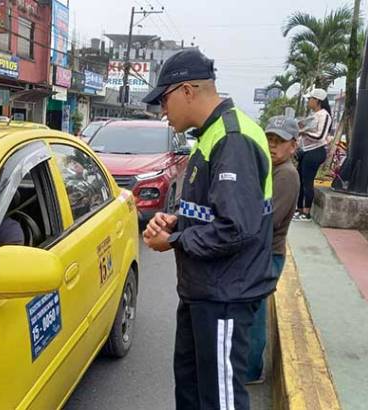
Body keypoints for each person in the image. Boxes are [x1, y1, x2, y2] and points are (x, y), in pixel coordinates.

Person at [141, 48, 274, 410]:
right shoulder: (210, 135)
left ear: (186, 91)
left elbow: (236, 228)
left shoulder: (233, 139)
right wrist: (177, 221)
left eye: (164, 99)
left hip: (225, 295)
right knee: (193, 390)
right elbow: (215, 212)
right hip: (204, 291)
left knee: (219, 400)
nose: (162, 110)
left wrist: (174, 239)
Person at [246, 116, 301, 384]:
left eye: (280, 141)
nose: (272, 145)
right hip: (261, 252)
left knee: (255, 314)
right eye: (270, 139)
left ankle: (251, 371)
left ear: (293, 145)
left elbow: (268, 220)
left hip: (268, 254)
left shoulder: (287, 176)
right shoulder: (271, 169)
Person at [294, 88, 332, 221]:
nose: (308, 101)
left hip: (315, 151)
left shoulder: (324, 115)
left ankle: (306, 212)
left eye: (310, 99)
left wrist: (304, 132)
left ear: (317, 100)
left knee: (307, 181)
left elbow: (320, 136)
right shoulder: (314, 115)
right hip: (306, 151)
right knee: (299, 180)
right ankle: (298, 209)